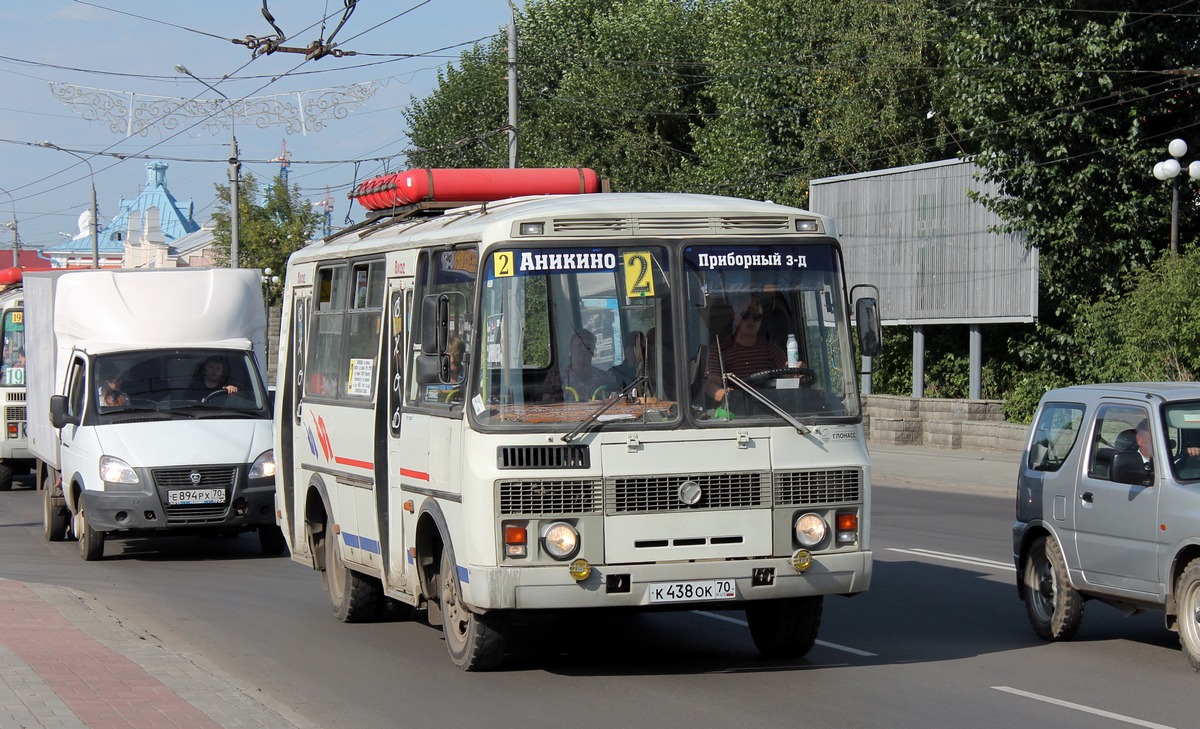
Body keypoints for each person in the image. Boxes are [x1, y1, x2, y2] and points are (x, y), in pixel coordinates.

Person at [706, 295, 794, 402]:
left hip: (770, 409)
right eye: (745, 315)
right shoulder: (720, 349)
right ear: (735, 317)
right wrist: (730, 397)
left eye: (757, 316)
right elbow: (712, 385)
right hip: (735, 414)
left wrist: (796, 374)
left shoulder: (771, 349)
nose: (751, 320)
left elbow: (788, 375)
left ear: (762, 320)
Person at [544, 329, 615, 401]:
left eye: (588, 346)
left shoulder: (606, 377)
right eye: (579, 345)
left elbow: (616, 402)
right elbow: (549, 404)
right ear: (570, 349)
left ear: (594, 350)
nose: (584, 349)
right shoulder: (557, 376)